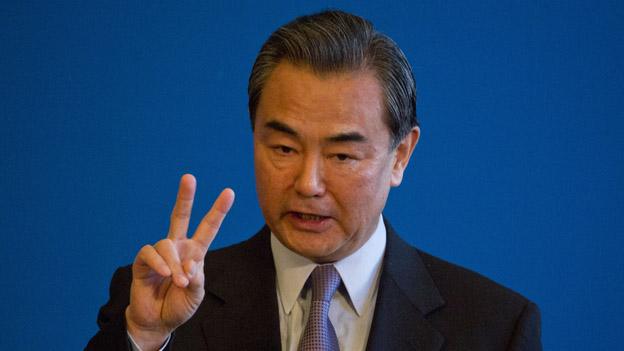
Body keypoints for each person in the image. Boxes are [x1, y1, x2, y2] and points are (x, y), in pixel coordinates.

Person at [86, 10, 541, 351]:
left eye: (342, 154)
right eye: (284, 149)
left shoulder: (496, 326)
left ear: (400, 156)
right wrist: (145, 338)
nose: (308, 183)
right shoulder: (158, 302)